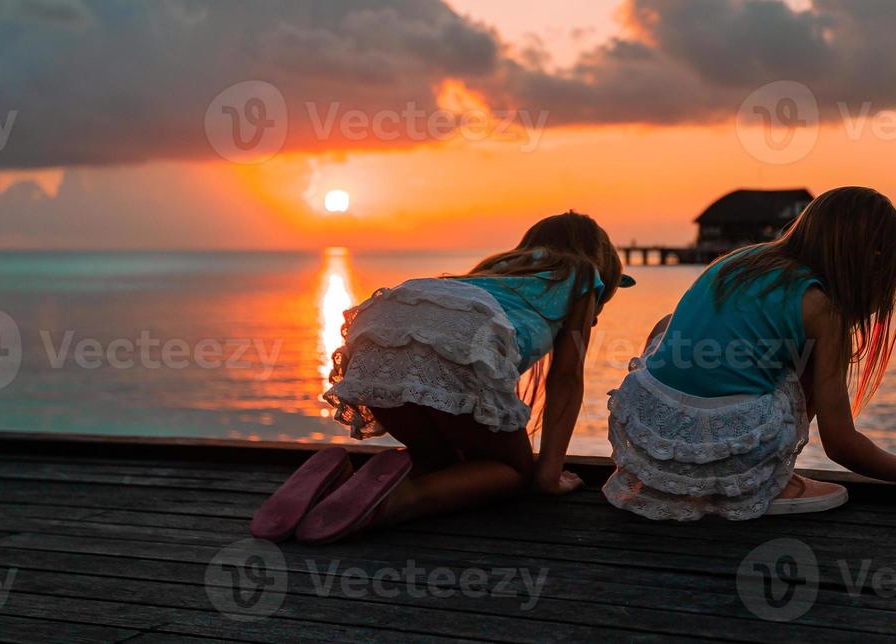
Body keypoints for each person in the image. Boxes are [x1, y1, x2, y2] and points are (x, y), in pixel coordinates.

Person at [253, 211, 631, 543]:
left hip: (383, 333)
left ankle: (336, 486)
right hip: (453, 342)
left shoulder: (492, 273)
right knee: (514, 473)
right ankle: (389, 506)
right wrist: (546, 477)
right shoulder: (583, 275)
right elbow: (565, 379)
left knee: (446, 461)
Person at [605, 186, 896, 521]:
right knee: (804, 354)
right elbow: (841, 444)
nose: (881, 301)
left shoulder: (738, 262)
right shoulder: (820, 307)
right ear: (869, 263)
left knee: (669, 324)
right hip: (728, 450)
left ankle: (688, 476)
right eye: (886, 286)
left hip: (648, 439)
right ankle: (772, 481)